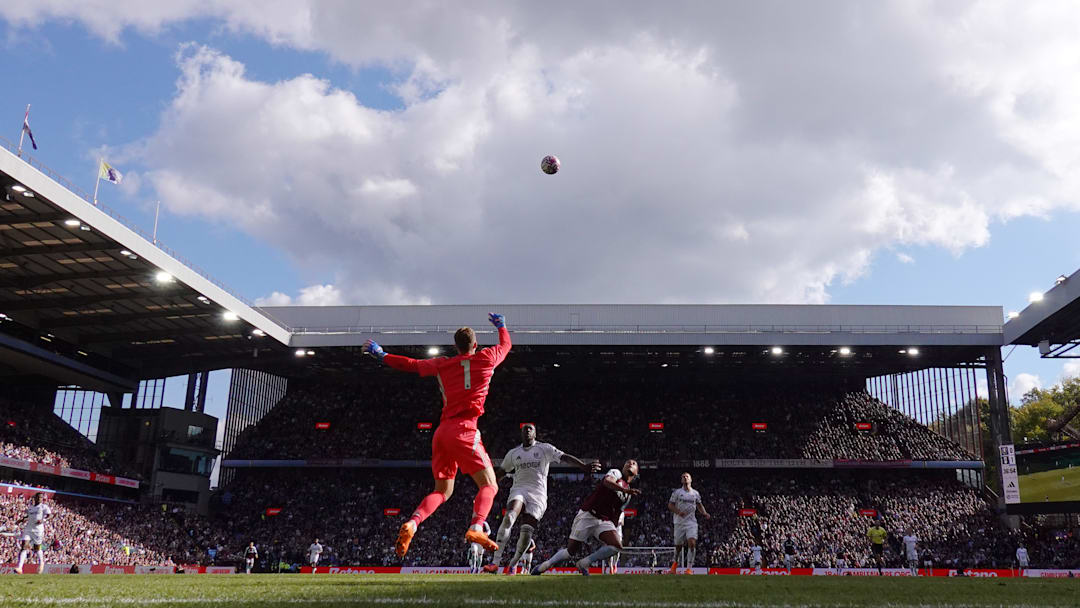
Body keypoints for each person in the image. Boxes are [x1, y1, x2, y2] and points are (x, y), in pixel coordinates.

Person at [365, 313, 511, 558]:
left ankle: (413, 523)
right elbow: (506, 345)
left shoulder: (443, 364)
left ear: (456, 347)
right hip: (465, 429)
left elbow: (410, 364)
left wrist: (381, 354)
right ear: (475, 345)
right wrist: (501, 326)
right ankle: (477, 526)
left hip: (442, 432)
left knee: (443, 490)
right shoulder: (486, 358)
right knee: (490, 484)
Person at [486, 423, 600, 573]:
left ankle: (513, 564)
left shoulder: (544, 448)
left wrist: (582, 466)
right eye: (524, 429)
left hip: (538, 495)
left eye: (530, 429)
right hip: (519, 489)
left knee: (526, 531)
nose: (527, 431)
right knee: (509, 516)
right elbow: (501, 472)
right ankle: (495, 562)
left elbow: (564, 456)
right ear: (521, 434)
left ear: (535, 434)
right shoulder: (514, 453)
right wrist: (487, 485)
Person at [530, 459, 641, 576]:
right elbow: (607, 482)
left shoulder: (628, 495)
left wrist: (611, 531)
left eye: (634, 463)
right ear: (623, 467)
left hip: (603, 520)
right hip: (588, 514)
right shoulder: (616, 473)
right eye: (627, 462)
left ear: (636, 472)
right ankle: (545, 566)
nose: (630, 464)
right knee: (570, 552)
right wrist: (623, 489)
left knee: (616, 546)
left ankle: (584, 563)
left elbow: (617, 513)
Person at [668, 472, 710, 574]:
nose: (685, 478)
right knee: (678, 546)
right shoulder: (677, 493)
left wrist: (704, 513)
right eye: (683, 477)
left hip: (691, 523)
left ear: (690, 479)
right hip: (679, 522)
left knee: (692, 543)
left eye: (687, 476)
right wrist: (678, 512)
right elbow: (670, 505)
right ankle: (674, 564)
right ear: (681, 480)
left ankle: (689, 568)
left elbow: (699, 505)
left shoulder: (695, 493)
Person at [15, 492, 50, 574]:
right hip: (28, 529)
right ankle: (20, 568)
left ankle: (41, 562)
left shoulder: (44, 507)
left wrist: (43, 520)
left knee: (37, 548)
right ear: (35, 498)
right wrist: (20, 520)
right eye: (38, 497)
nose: (39, 499)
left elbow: (50, 515)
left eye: (41, 498)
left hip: (38, 530)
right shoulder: (30, 508)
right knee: (24, 546)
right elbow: (28, 517)